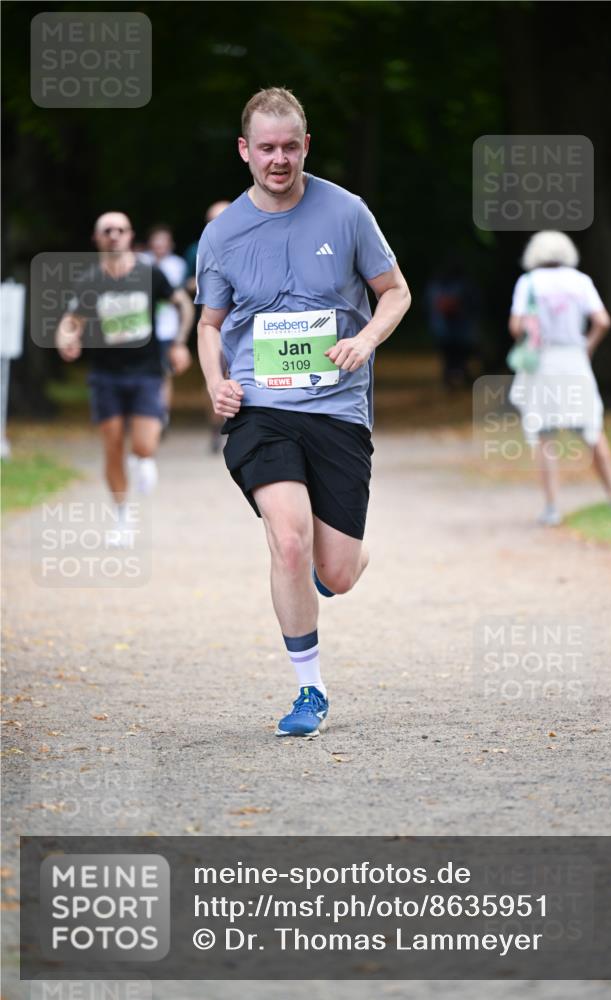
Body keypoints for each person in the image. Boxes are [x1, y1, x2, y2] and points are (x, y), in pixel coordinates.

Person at [196, 88, 411, 736]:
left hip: (338, 408)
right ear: (244, 150)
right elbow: (208, 324)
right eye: (266, 147)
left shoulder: (345, 212)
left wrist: (364, 339)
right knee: (287, 538)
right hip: (262, 408)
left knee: (336, 572)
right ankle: (309, 691)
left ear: (306, 145)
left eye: (290, 146)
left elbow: (394, 293)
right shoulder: (223, 233)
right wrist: (216, 382)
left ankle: (328, 572)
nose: (279, 159)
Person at [56, 211, 194, 541]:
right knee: (113, 445)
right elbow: (71, 319)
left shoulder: (150, 274)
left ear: (131, 236)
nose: (114, 235)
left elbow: (184, 305)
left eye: (120, 229)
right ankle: (122, 517)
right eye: (107, 230)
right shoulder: (90, 280)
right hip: (105, 375)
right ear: (97, 238)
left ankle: (143, 459)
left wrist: (179, 344)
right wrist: (66, 339)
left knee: (145, 443)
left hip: (146, 371)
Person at [508, 230, 611, 526]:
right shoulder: (581, 281)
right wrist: (587, 346)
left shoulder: (528, 283)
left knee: (545, 436)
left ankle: (552, 507)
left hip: (542, 363)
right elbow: (602, 321)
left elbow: (516, 327)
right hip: (574, 360)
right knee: (592, 429)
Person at [183, 201, 232, 452]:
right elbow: (186, 283)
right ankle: (216, 427)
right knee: (216, 373)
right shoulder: (198, 248)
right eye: (213, 219)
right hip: (215, 321)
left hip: (249, 322)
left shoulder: (254, 239)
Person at [143, 224, 189, 423]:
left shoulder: (177, 265)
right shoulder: (141, 262)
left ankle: (163, 415)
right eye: (156, 242)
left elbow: (180, 299)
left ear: (170, 244)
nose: (159, 246)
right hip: (143, 328)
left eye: (164, 242)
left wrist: (180, 336)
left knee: (164, 372)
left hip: (167, 326)